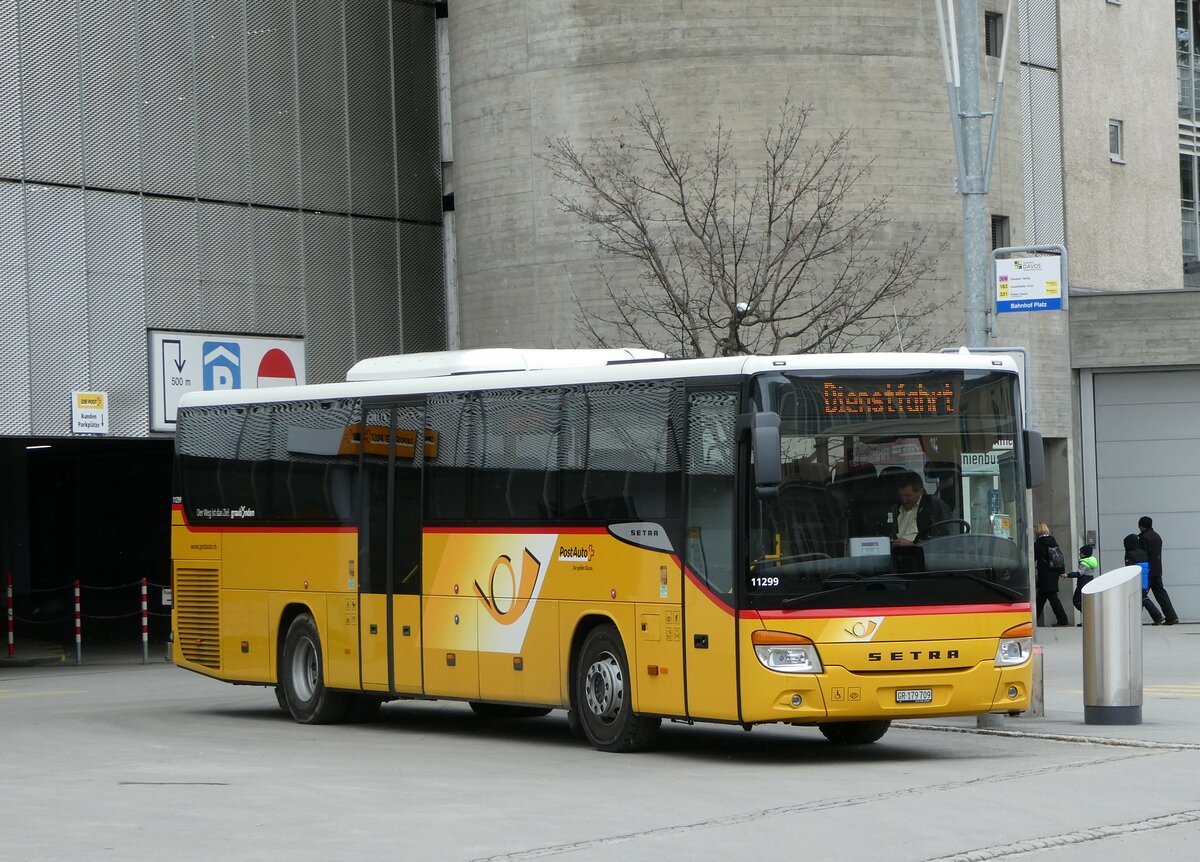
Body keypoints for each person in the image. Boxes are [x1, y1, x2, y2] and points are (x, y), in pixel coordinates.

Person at [890, 471, 951, 546]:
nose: (904, 500)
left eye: (908, 496)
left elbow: (944, 539)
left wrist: (913, 545)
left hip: (921, 553)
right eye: (901, 496)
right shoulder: (894, 507)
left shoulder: (932, 505)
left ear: (920, 491)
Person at [1138, 516, 1179, 625]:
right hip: (1157, 570)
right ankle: (1172, 617)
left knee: (1140, 595)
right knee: (1161, 595)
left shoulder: (1143, 538)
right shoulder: (1157, 536)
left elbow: (1142, 555)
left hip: (1147, 570)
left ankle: (1137, 619)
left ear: (1141, 526)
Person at [1033, 522, 1069, 627]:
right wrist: (1061, 571)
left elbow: (1032, 558)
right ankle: (1033, 621)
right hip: (1054, 574)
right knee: (1041, 599)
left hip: (1044, 575)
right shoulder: (1053, 542)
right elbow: (1059, 557)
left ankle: (1063, 620)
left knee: (1051, 598)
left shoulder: (1038, 544)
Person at [1124, 533, 1163, 625]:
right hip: (1145, 579)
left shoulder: (1129, 554)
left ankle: (1158, 616)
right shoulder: (1143, 552)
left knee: (1143, 599)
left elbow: (1129, 568)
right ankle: (1134, 619)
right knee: (1139, 599)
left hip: (1135, 580)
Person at [1068, 544, 1099, 616]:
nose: (1079, 553)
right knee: (1084, 602)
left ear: (1084, 554)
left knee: (1076, 601)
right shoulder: (1091, 562)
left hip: (1082, 585)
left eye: (1081, 552)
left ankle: (1088, 616)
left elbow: (1079, 573)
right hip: (1088, 584)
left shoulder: (1084, 563)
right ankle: (1087, 618)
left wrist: (1068, 574)